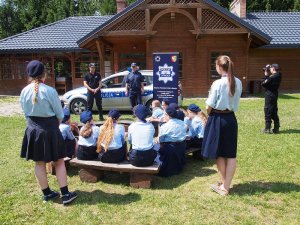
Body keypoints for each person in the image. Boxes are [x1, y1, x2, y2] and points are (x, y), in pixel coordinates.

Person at [20, 60, 77, 205]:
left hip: (33, 130)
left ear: (29, 75)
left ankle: (47, 194)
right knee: (58, 162)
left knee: (39, 163)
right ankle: (65, 195)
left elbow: (26, 114)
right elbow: (60, 115)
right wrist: (53, 126)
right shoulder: (50, 91)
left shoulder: (24, 91)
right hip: (50, 129)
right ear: (44, 74)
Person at [201, 55, 242, 196]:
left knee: (218, 153)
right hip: (230, 119)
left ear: (219, 67)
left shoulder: (217, 83)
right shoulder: (238, 82)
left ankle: (225, 187)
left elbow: (209, 106)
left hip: (218, 118)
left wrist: (208, 113)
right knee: (230, 154)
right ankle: (225, 185)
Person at [158, 106, 187, 177]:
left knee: (155, 147)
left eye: (164, 114)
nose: (163, 116)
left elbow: (161, 140)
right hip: (182, 146)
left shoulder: (165, 126)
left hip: (170, 148)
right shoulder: (183, 123)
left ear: (168, 115)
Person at [261, 64, 282, 134]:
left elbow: (263, 83)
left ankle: (267, 128)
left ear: (273, 69)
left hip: (269, 95)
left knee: (268, 110)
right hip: (274, 94)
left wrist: (266, 75)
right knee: (274, 111)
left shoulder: (272, 77)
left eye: (271, 68)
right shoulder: (279, 75)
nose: (269, 69)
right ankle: (276, 128)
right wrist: (268, 70)